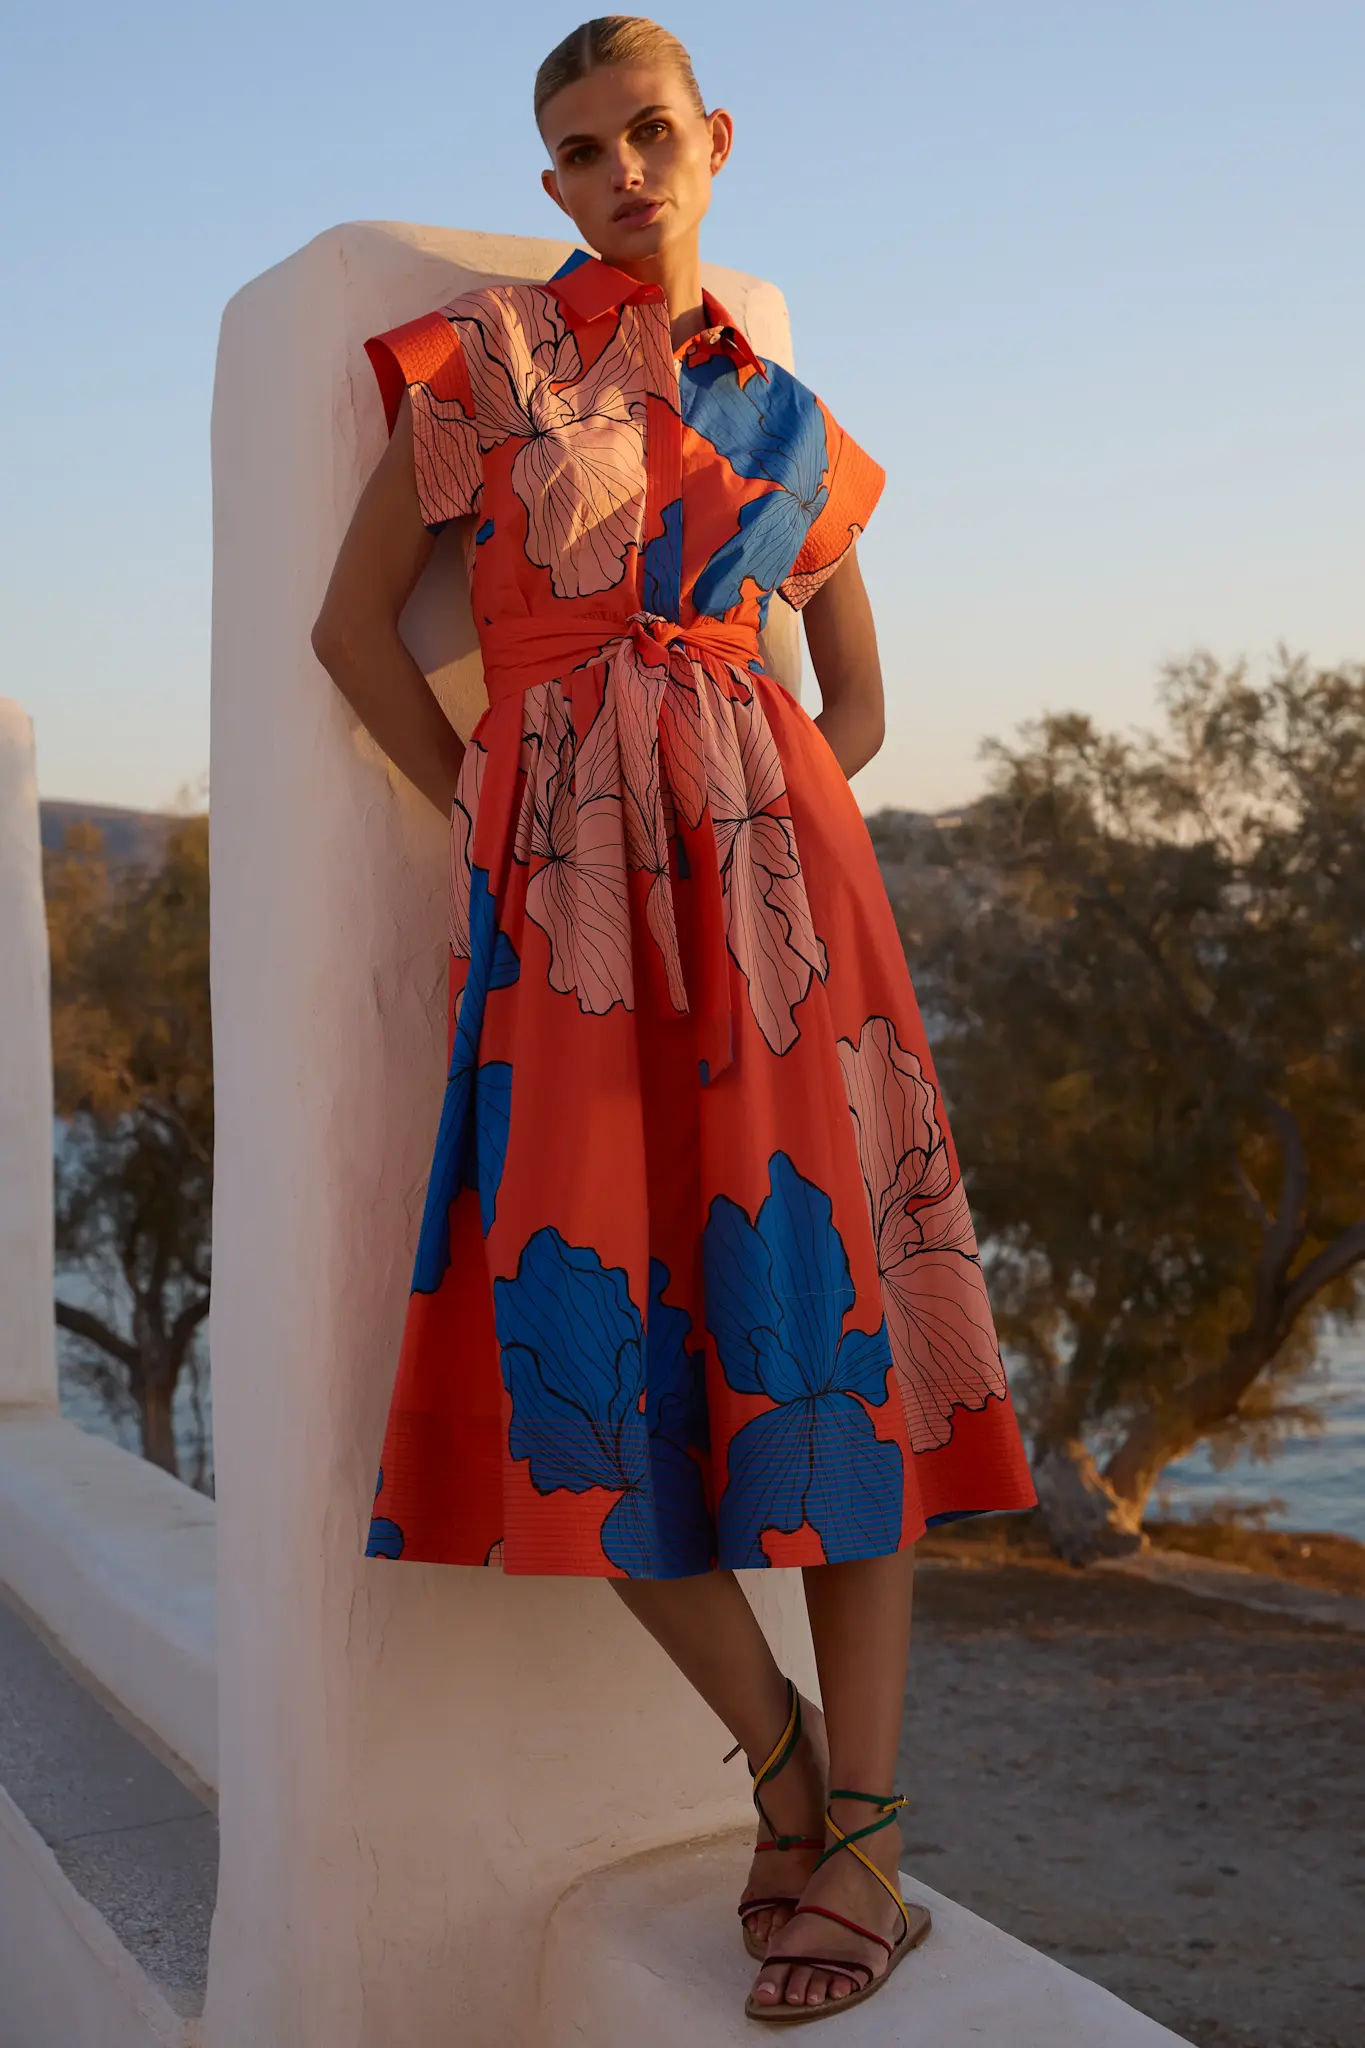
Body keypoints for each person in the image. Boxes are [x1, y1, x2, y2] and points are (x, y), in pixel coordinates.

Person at [312, 14, 1034, 2023]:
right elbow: (353, 630)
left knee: (837, 1338)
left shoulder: (791, 418)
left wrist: (758, 819)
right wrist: (496, 805)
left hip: (786, 925)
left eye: (648, 133)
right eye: (580, 150)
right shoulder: (483, 362)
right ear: (548, 182)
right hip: (565, 928)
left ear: (712, 139)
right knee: (579, 1347)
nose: (620, 173)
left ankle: (864, 1828)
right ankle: (786, 1770)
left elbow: (852, 701)